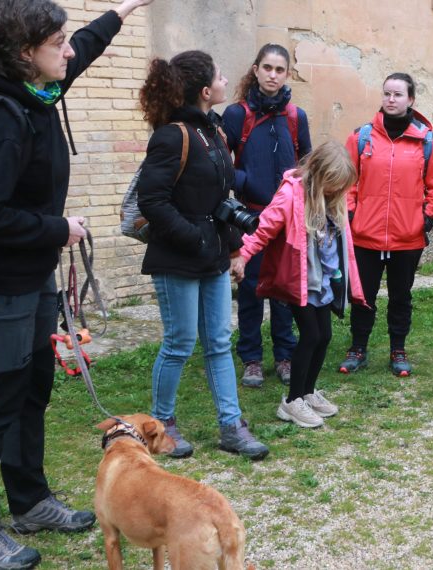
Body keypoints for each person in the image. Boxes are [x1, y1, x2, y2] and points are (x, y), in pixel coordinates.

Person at [0, 0, 153, 568]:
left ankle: (30, 500)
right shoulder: (1, 117)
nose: (69, 50)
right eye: (56, 42)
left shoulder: (34, 92)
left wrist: (119, 11)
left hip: (34, 276)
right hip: (2, 284)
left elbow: (83, 50)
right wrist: (58, 227)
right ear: (24, 54)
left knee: (33, 387)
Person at [136, 50, 269, 461]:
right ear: (205, 90)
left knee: (217, 341)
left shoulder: (214, 133)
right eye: (219, 75)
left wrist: (232, 249)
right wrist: (194, 237)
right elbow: (152, 200)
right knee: (179, 343)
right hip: (178, 256)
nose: (227, 79)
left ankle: (231, 426)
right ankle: (161, 426)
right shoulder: (172, 135)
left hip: (211, 256)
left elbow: (221, 199)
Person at [231, 141, 367, 427]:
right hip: (299, 279)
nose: (335, 192)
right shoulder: (291, 193)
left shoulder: (334, 199)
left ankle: (307, 392)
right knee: (310, 335)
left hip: (324, 281)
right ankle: (292, 402)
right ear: (317, 174)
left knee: (324, 336)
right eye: (332, 185)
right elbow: (263, 227)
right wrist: (242, 255)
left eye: (340, 187)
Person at [337, 72, 433, 377]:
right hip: (365, 235)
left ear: (410, 99)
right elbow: (346, 181)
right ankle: (358, 348)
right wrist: (351, 214)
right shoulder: (361, 137)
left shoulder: (426, 140)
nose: (391, 99)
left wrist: (424, 220)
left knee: (401, 296)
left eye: (398, 94)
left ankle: (398, 349)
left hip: (407, 237)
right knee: (363, 296)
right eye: (387, 93)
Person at [222, 43, 312, 388]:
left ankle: (286, 354)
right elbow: (220, 162)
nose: (273, 75)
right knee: (250, 290)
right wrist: (246, 181)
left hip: (288, 220)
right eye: (267, 68)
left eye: (280, 70)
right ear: (256, 69)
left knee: (285, 289)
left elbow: (308, 162)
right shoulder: (236, 115)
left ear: (287, 74)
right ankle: (252, 358)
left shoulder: (295, 116)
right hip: (249, 216)